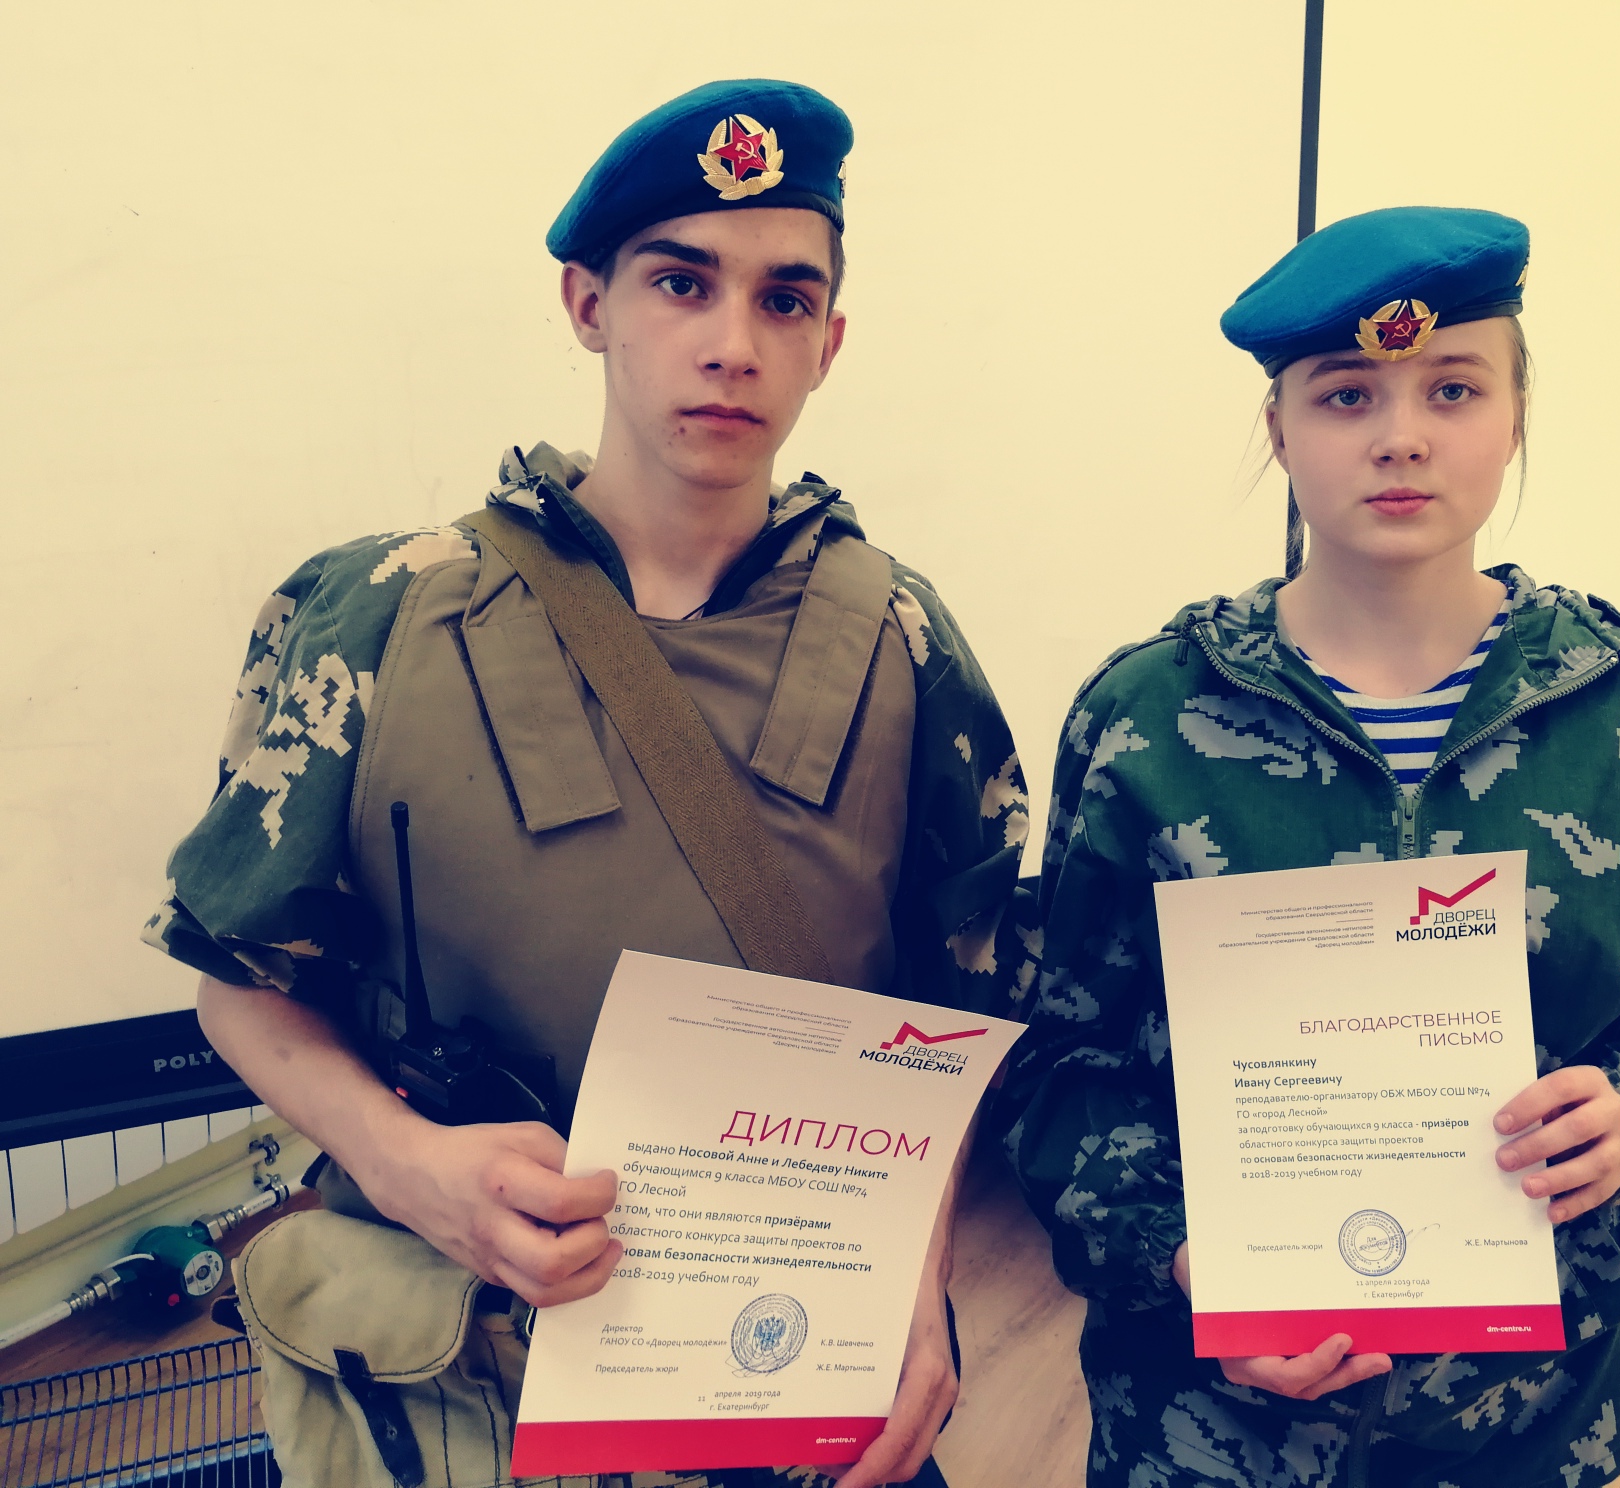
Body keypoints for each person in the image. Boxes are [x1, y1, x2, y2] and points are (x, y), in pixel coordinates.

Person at [143, 79, 1033, 1488]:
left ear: (829, 343)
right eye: (681, 282)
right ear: (587, 304)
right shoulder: (380, 617)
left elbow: (953, 1015)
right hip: (472, 1390)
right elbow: (240, 980)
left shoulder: (906, 645)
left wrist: (919, 1282)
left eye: (785, 300)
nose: (732, 344)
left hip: (791, 1383)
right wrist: (407, 1165)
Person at [1001, 206, 1620, 1487]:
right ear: (1278, 428)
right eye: (1346, 394)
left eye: (1452, 388)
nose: (1401, 436)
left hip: (1525, 1420)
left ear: (1515, 414)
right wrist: (1179, 1256)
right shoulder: (1146, 720)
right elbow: (1065, 1054)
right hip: (1209, 1418)